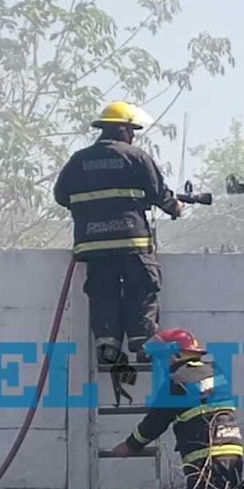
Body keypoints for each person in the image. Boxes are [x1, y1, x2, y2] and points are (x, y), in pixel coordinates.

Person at [53, 102, 183, 375]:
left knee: (103, 293)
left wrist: (94, 210)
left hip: (93, 244)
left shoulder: (78, 160)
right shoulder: (135, 156)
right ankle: (143, 344)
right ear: (122, 129)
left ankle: (108, 347)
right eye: (132, 130)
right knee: (142, 288)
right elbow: (158, 192)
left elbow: (61, 195)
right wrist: (175, 208)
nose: (133, 136)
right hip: (132, 241)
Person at [110, 328, 244, 489]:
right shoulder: (214, 371)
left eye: (161, 358)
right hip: (232, 454)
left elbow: (154, 422)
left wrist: (130, 445)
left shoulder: (176, 382)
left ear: (174, 355)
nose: (159, 364)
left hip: (205, 459)